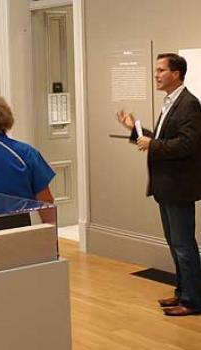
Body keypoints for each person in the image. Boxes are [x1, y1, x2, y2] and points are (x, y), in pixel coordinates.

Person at [117, 53, 201, 316]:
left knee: (184, 245)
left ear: (176, 74)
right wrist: (135, 130)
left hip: (179, 186)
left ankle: (193, 300)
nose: (156, 75)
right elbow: (164, 140)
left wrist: (153, 144)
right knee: (175, 244)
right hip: (166, 186)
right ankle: (182, 293)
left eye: (161, 70)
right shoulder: (170, 102)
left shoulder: (189, 104)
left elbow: (188, 144)